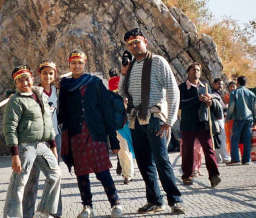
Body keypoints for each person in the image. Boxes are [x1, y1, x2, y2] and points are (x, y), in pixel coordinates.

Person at [121, 28, 184, 215]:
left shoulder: (158, 61)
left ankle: (175, 200)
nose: (134, 46)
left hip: (155, 118)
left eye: (137, 42)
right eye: (130, 44)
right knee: (143, 162)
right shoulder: (130, 67)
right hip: (135, 120)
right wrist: (123, 73)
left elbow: (173, 91)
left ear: (145, 41)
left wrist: (170, 120)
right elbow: (122, 93)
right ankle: (155, 200)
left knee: (161, 160)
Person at [58, 49, 123, 218]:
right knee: (82, 174)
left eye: (80, 62)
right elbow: (62, 112)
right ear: (69, 64)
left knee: (102, 172)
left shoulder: (95, 82)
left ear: (84, 63)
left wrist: (113, 140)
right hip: (76, 135)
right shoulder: (65, 85)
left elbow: (106, 111)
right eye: (73, 62)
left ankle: (115, 203)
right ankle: (87, 207)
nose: (77, 65)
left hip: (95, 134)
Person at [3, 65, 61, 218]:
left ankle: (43, 212)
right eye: (19, 80)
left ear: (32, 78)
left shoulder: (40, 95)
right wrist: (14, 154)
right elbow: (10, 128)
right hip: (24, 146)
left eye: (26, 79)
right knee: (19, 182)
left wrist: (53, 145)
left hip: (42, 144)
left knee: (55, 174)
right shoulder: (15, 101)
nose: (24, 83)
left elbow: (47, 121)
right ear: (16, 84)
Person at [22, 61, 62, 218]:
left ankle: (55, 212)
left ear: (55, 74)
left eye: (51, 73)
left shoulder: (57, 91)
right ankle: (28, 214)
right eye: (45, 73)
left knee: (54, 175)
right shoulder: (34, 92)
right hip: (36, 140)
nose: (48, 76)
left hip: (54, 137)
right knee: (32, 179)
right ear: (39, 74)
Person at [179, 62, 221, 188]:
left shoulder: (205, 87)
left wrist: (210, 102)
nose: (196, 72)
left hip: (203, 123)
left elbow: (216, 104)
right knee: (187, 150)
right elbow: (181, 104)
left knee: (209, 150)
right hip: (188, 123)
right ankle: (187, 176)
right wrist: (196, 99)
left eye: (198, 70)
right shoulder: (181, 87)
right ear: (188, 72)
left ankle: (214, 175)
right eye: (193, 70)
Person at [114, 51, 135, 184]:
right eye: (124, 63)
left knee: (132, 148)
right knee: (123, 149)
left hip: (135, 118)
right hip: (121, 121)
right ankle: (127, 174)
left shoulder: (139, 78)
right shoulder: (117, 81)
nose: (126, 65)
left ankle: (126, 169)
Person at [227, 75, 256, 165]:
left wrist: (228, 117)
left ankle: (235, 159)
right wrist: (255, 119)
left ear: (238, 83)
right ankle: (246, 159)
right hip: (249, 119)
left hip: (238, 118)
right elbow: (254, 108)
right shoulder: (251, 94)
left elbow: (231, 107)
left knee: (234, 139)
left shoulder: (234, 93)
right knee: (247, 139)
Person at [211, 78, 231, 163]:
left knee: (218, 139)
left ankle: (218, 158)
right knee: (221, 138)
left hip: (220, 118)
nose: (220, 86)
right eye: (218, 84)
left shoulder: (220, 94)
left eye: (222, 84)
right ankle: (225, 157)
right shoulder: (213, 94)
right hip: (217, 119)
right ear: (214, 84)